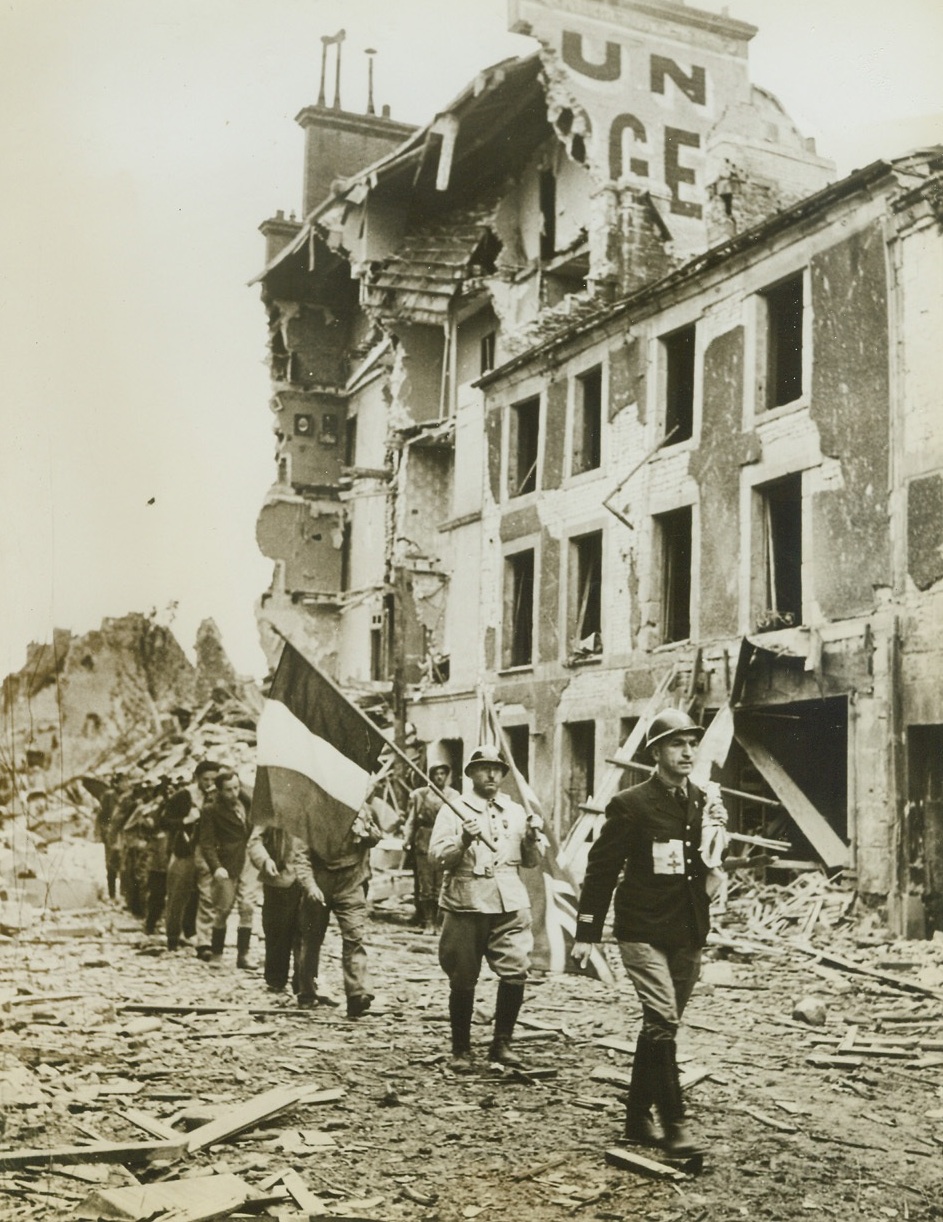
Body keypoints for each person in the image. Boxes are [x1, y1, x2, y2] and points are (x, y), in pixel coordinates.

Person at [571, 709, 728, 1158]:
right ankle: (675, 1124)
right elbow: (601, 870)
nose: (687, 752)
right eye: (677, 744)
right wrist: (587, 931)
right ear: (655, 753)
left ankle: (637, 1117)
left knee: (661, 1026)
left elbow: (707, 862)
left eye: (692, 744)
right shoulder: (631, 804)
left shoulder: (702, 801)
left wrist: (719, 836)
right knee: (663, 1020)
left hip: (687, 929)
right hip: (642, 929)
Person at [428, 744, 544, 1074]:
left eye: (497, 769)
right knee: (463, 976)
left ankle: (502, 1043)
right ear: (471, 774)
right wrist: (463, 840)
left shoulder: (516, 811)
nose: (491, 774)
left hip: (510, 901)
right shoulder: (454, 809)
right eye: (484, 768)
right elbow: (435, 859)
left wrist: (531, 838)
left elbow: (532, 862)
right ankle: (461, 1049)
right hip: (467, 901)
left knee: (516, 969)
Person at [292, 803, 382, 1017]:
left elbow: (375, 839)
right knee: (311, 939)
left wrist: (366, 829)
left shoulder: (359, 807)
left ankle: (357, 994)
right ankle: (307, 992)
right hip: (320, 880)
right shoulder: (309, 814)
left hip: (351, 881)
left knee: (354, 935)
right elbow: (300, 857)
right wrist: (310, 886)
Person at [198, 769, 258, 969]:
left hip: (248, 860)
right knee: (223, 909)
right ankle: (217, 953)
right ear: (219, 791)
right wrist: (216, 867)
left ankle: (243, 955)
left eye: (236, 788)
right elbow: (206, 843)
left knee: (247, 906)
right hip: (227, 863)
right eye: (228, 790)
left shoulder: (247, 803)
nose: (234, 793)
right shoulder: (211, 810)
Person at [163, 761, 219, 952]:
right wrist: (186, 820)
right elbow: (164, 821)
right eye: (205, 779)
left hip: (208, 853)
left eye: (213, 779)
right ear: (197, 778)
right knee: (177, 894)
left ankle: (203, 941)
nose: (209, 783)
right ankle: (172, 938)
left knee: (207, 897)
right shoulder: (183, 796)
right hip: (185, 852)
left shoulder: (219, 796)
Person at [248, 823, 306, 997]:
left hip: (308, 879)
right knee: (276, 929)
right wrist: (265, 860)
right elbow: (255, 841)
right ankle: (276, 979)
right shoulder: (272, 811)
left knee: (306, 931)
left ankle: (303, 981)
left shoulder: (318, 810)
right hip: (278, 878)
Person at [402, 756, 458, 930]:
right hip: (424, 839)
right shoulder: (420, 795)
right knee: (425, 883)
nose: (439, 777)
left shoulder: (453, 795)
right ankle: (428, 922)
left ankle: (440, 922)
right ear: (431, 776)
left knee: (441, 883)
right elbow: (411, 820)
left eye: (442, 773)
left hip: (445, 838)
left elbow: (458, 819)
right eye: (436, 774)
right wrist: (407, 839)